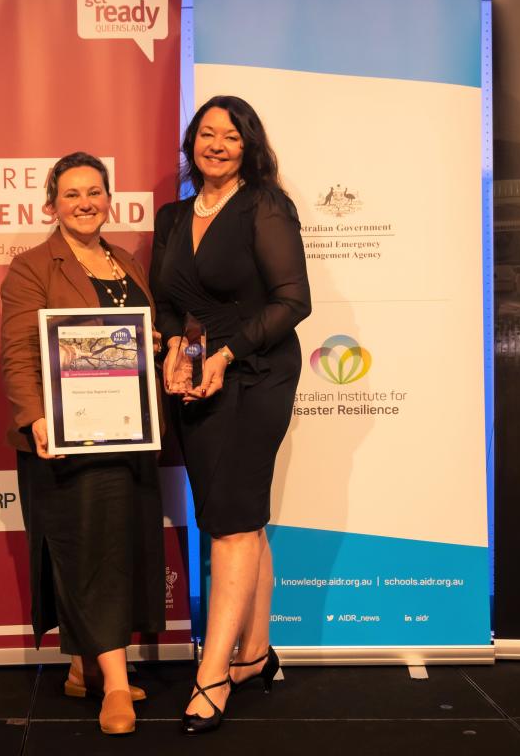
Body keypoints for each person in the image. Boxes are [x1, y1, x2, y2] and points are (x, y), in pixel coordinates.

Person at [150, 96, 311, 734]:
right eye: (206, 133)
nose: (215, 143)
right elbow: (169, 303)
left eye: (230, 135)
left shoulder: (264, 205)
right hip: (197, 378)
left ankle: (212, 673)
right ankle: (254, 655)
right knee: (235, 514)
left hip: (256, 371)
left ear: (249, 146)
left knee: (231, 524)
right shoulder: (173, 215)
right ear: (192, 143)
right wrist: (174, 349)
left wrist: (225, 353)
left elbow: (294, 300)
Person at [0, 152, 165, 736]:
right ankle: (116, 687)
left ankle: (81, 669)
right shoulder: (32, 267)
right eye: (72, 194)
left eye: (95, 191)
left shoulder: (126, 262)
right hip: (70, 440)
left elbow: (141, 339)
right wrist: (35, 416)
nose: (86, 202)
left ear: (109, 199)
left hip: (130, 435)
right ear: (52, 204)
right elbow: (19, 352)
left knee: (119, 549)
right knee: (89, 554)